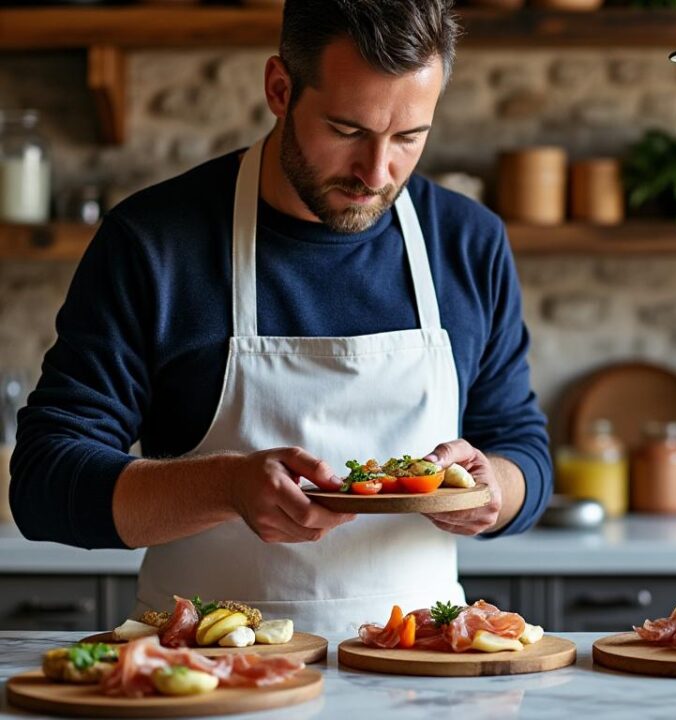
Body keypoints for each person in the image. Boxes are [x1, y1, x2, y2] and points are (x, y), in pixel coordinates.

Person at [9, 0, 551, 634]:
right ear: (279, 88)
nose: (377, 173)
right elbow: (44, 483)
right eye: (348, 130)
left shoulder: (468, 242)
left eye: (409, 137)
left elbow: (523, 449)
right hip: (208, 674)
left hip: (426, 670)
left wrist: (492, 491)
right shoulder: (154, 242)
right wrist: (224, 488)